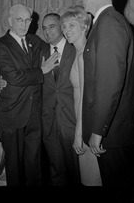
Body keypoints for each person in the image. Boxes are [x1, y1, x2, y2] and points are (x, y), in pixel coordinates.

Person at [80, 0, 134, 187]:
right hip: (112, 131)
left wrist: (98, 130)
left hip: (111, 134)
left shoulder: (109, 24)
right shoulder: (105, 22)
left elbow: (109, 83)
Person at [0, 4, 59, 186]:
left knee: (34, 165)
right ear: (10, 21)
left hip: (35, 114)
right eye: (19, 20)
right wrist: (41, 70)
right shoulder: (0, 45)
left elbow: (55, 46)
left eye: (28, 20)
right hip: (11, 114)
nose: (24, 24)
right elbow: (13, 76)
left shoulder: (35, 41)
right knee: (15, 168)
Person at [60, 5, 102, 186]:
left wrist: (79, 134)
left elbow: (85, 97)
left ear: (84, 27)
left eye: (71, 25)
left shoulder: (83, 55)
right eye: (63, 26)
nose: (65, 30)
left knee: (91, 180)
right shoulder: (78, 52)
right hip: (84, 124)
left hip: (86, 126)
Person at [41, 13, 80, 186]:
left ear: (61, 26)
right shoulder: (39, 52)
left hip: (73, 121)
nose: (47, 31)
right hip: (49, 123)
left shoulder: (77, 49)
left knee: (77, 172)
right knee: (56, 172)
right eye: (43, 28)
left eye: (51, 26)